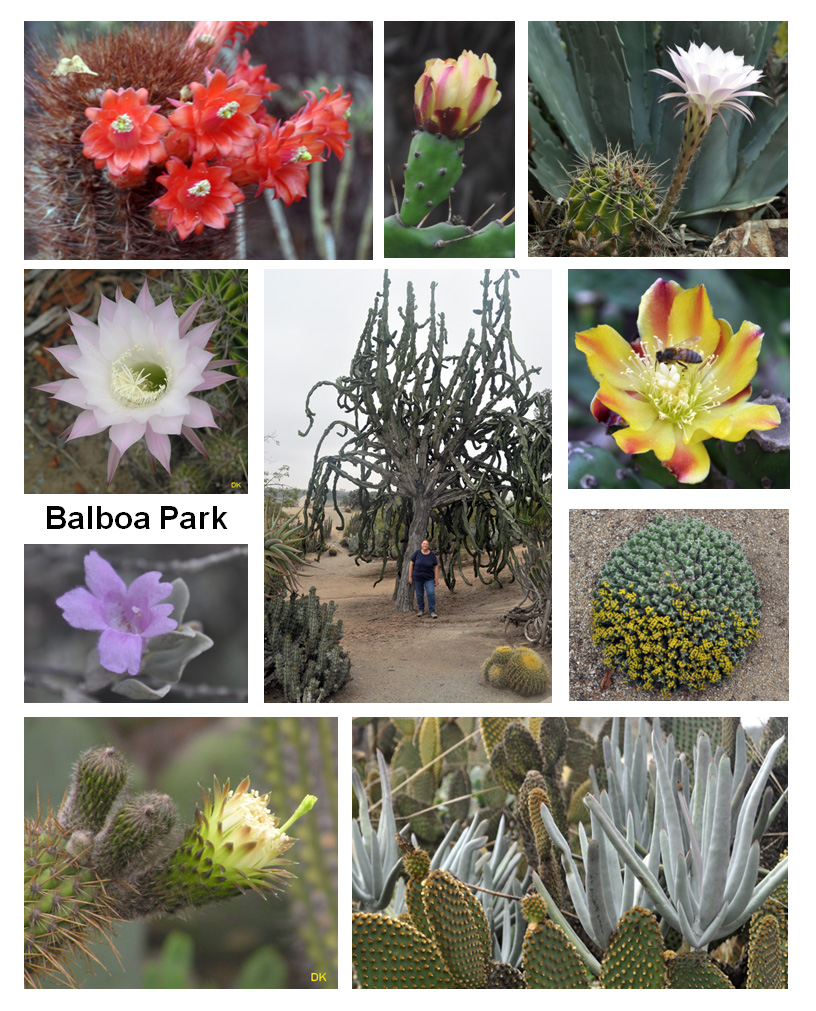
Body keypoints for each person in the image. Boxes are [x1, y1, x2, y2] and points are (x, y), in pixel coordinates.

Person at [408, 539, 439, 618]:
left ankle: (432, 611)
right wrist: (410, 576)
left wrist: (436, 578)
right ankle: (421, 610)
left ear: (428, 545)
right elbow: (411, 564)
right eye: (423, 543)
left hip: (429, 578)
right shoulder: (417, 553)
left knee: (431, 593)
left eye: (426, 544)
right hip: (417, 578)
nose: (425, 545)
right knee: (419, 595)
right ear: (421, 545)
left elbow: (436, 566)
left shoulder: (432, 555)